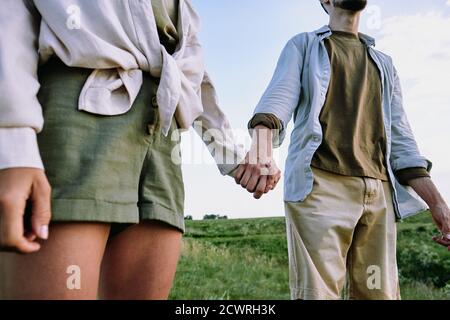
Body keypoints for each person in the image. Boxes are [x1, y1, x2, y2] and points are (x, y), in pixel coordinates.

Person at [0, 0, 262, 299]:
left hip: (162, 137)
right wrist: (13, 141)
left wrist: (230, 154)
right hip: (75, 120)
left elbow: (190, 66)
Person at [234, 0, 450, 300]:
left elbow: (402, 140)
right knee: (318, 295)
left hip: (378, 195)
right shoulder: (305, 46)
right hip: (320, 190)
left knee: (380, 295)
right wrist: (261, 152)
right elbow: (277, 100)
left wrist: (438, 204)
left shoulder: (383, 63)